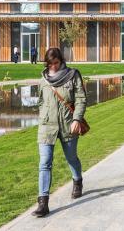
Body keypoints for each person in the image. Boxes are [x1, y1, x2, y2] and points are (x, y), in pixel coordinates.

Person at [32, 48, 87, 218]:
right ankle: (43, 202)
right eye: (50, 64)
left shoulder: (72, 75)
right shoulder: (44, 78)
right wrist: (43, 116)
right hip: (46, 126)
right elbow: (41, 100)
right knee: (45, 162)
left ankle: (77, 180)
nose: (54, 67)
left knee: (71, 157)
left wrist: (77, 119)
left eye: (56, 63)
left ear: (61, 61)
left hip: (68, 124)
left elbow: (81, 98)